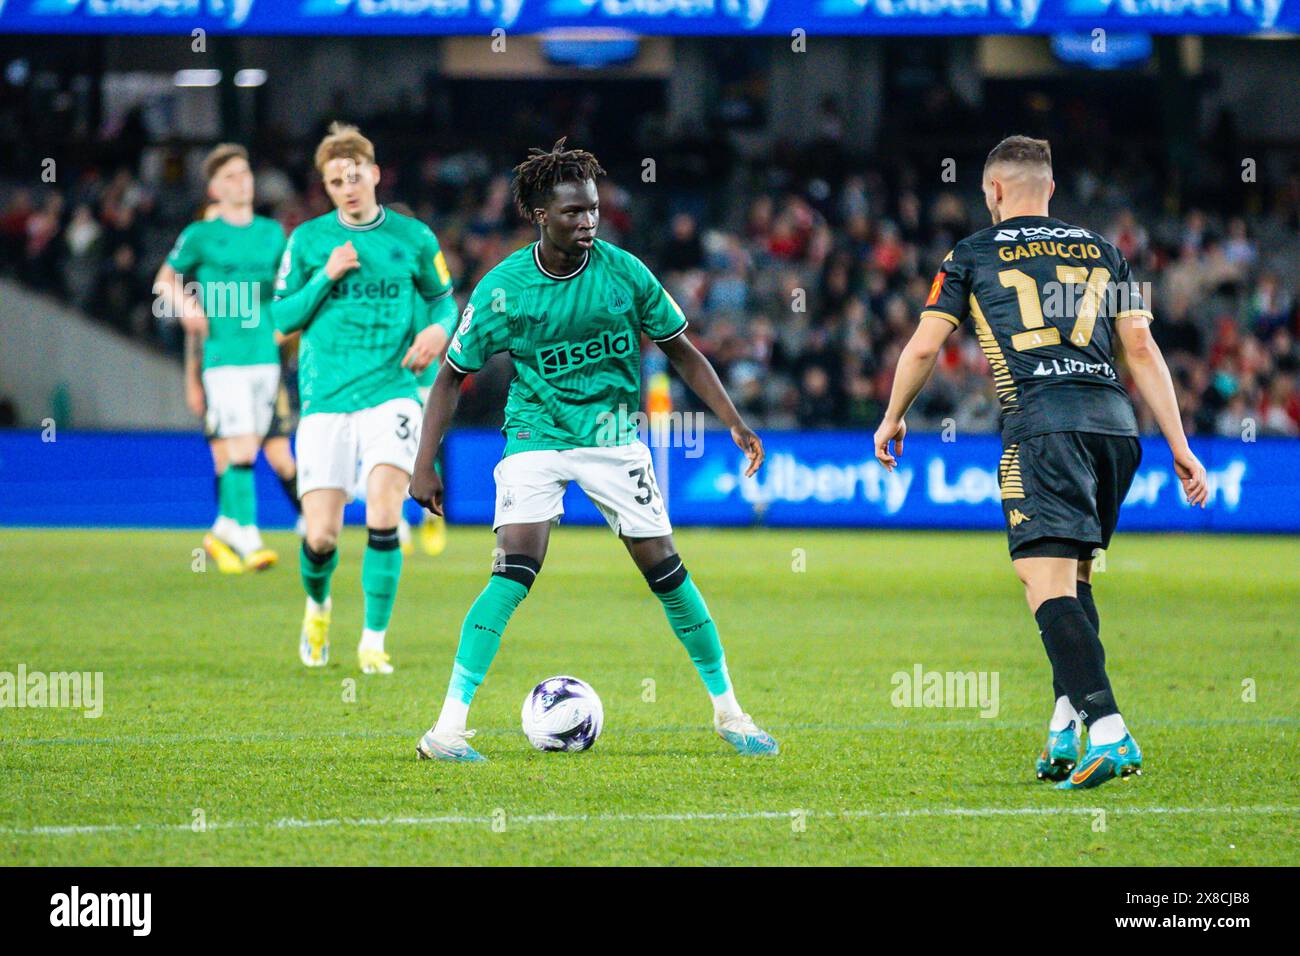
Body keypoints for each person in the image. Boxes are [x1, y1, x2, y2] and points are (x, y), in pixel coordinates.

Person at [409, 139, 778, 762]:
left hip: (612, 441)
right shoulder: (504, 289)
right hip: (535, 436)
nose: (587, 221)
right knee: (514, 569)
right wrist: (425, 463)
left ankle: (730, 714)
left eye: (593, 210)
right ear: (538, 215)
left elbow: (682, 349)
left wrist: (734, 421)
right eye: (573, 212)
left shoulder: (625, 273)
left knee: (665, 570)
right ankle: (446, 730)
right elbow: (449, 374)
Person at [874, 136, 1209, 790]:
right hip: (1115, 427)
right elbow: (1139, 345)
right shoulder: (1105, 250)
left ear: (994, 191)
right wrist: (1179, 443)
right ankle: (1065, 725)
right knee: (1075, 577)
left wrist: (892, 416)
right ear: (1049, 190)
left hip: (1043, 424)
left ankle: (1108, 730)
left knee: (1042, 583)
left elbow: (922, 349)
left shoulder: (970, 253)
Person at [272, 124, 456, 674]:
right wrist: (327, 276)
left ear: (374, 174)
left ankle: (374, 640)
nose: (347, 188)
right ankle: (318, 606)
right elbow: (282, 319)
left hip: (391, 393)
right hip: (325, 399)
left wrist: (438, 332)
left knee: (383, 510)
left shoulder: (415, 239)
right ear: (326, 187)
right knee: (323, 534)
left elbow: (445, 302)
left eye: (354, 177)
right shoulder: (307, 242)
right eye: (334, 182)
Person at [156, 145, 285, 573]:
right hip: (223, 356)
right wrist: (184, 304)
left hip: (264, 355)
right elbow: (164, 279)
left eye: (245, 173)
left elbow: (289, 288)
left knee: (241, 446)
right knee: (243, 442)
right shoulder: (200, 236)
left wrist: (287, 322)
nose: (241, 181)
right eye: (230, 176)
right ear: (214, 188)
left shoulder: (272, 233)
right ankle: (248, 535)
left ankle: (225, 525)